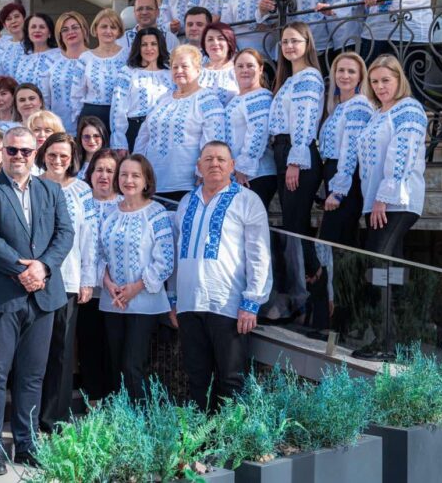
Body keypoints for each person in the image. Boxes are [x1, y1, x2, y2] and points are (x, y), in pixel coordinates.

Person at [0, 126, 74, 475]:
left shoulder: (51, 190)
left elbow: (65, 233)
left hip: (43, 297)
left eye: (25, 151)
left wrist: (43, 267)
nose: (18, 157)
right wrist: (21, 270)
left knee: (32, 376)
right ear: (2, 152)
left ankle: (27, 443)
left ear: (35, 153)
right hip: (0, 298)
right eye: (12, 150)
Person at [173, 141, 272, 411]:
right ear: (198, 166)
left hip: (228, 304)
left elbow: (259, 253)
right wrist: (173, 298)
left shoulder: (247, 200)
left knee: (231, 380)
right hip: (189, 304)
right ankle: (200, 435)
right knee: (197, 378)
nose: (214, 164)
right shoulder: (186, 202)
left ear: (232, 165)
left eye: (220, 159)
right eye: (208, 159)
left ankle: (231, 436)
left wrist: (252, 301)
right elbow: (177, 252)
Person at [99, 154, 174, 400]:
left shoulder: (157, 213)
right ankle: (118, 417)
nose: (128, 180)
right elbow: (98, 253)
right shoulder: (109, 213)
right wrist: (107, 283)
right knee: (114, 365)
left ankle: (140, 419)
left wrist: (135, 287)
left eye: (135, 175)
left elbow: (165, 260)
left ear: (146, 180)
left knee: (132, 366)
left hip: (144, 302)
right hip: (113, 301)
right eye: (123, 174)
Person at [36, 133, 97, 433]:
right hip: (34, 279)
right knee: (34, 350)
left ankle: (54, 420)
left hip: (68, 279)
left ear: (72, 159)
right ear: (43, 155)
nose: (57, 160)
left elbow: (89, 237)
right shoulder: (31, 184)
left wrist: (87, 279)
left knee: (61, 352)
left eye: (64, 156)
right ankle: (29, 414)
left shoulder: (82, 191)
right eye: (52, 154)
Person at [268, 22, 325, 297]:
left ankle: (315, 279)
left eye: (295, 41)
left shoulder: (309, 77)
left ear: (307, 44)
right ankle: (305, 286)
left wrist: (294, 161)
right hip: (283, 150)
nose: (289, 46)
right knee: (293, 223)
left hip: (297, 151)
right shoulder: (290, 79)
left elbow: (304, 120)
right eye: (285, 42)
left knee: (295, 224)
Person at [135, 44, 226, 204]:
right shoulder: (163, 99)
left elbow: (213, 141)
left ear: (198, 69)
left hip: (186, 183)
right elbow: (144, 135)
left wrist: (204, 172)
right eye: (175, 67)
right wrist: (137, 167)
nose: (178, 71)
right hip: (154, 181)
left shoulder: (207, 99)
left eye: (184, 66)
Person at [358, 54, 426, 256]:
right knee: (391, 264)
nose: (380, 87)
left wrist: (383, 197)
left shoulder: (408, 108)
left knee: (376, 259)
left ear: (399, 79)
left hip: (397, 200)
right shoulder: (377, 114)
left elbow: (402, 154)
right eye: (374, 81)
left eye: (385, 80)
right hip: (375, 199)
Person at [77, 148, 123, 404]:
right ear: (90, 173)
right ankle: (93, 400)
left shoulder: (125, 204)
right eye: (99, 170)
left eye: (110, 171)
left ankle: (115, 402)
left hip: (118, 291)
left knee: (114, 347)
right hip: (86, 289)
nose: (104, 175)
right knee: (89, 344)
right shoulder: (81, 203)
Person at [319, 52, 373, 247]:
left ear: (360, 77)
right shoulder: (339, 106)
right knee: (339, 239)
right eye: (340, 70)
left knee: (335, 239)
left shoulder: (359, 104)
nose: (345, 75)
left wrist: (339, 191)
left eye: (351, 71)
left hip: (347, 177)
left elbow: (350, 149)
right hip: (334, 173)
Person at [225, 49, 277, 210]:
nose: (245, 70)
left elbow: (258, 133)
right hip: (239, 174)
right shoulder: (236, 99)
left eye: (250, 66)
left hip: (256, 174)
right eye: (240, 66)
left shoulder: (260, 96)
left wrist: (243, 168)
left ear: (260, 69)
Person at [110, 27, 172, 154]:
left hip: (163, 131)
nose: (149, 48)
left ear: (160, 46)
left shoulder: (170, 74)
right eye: (144, 45)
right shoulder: (128, 72)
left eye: (153, 44)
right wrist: (120, 141)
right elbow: (118, 108)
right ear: (138, 47)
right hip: (135, 129)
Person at [72, 9, 128, 131]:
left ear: (119, 31)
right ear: (96, 29)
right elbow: (77, 92)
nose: (108, 31)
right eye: (104, 27)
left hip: (120, 116)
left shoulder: (127, 56)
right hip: (91, 115)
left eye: (113, 27)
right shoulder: (85, 58)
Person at [48, 11, 90, 132]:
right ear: (60, 35)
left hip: (89, 130)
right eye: (65, 30)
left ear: (84, 30)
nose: (70, 32)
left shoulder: (95, 59)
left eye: (75, 27)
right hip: (58, 129)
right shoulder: (53, 62)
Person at [12, 13, 59, 91]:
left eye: (42, 27)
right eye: (33, 27)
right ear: (28, 32)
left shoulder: (59, 56)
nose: (37, 30)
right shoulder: (22, 58)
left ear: (49, 32)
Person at [198, 21, 239, 98]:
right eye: (210, 39)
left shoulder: (238, 69)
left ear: (229, 43)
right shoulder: (197, 71)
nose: (215, 43)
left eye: (220, 39)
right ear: (204, 44)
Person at [0, 2, 27, 76]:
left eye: (16, 16)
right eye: (8, 19)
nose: (13, 21)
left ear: (24, 19)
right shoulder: (2, 47)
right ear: (5, 25)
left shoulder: (35, 43)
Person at [76, 116, 108, 180]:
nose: (92, 141)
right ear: (80, 139)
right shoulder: (73, 163)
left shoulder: (110, 164)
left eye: (96, 136)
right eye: (86, 137)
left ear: (103, 138)